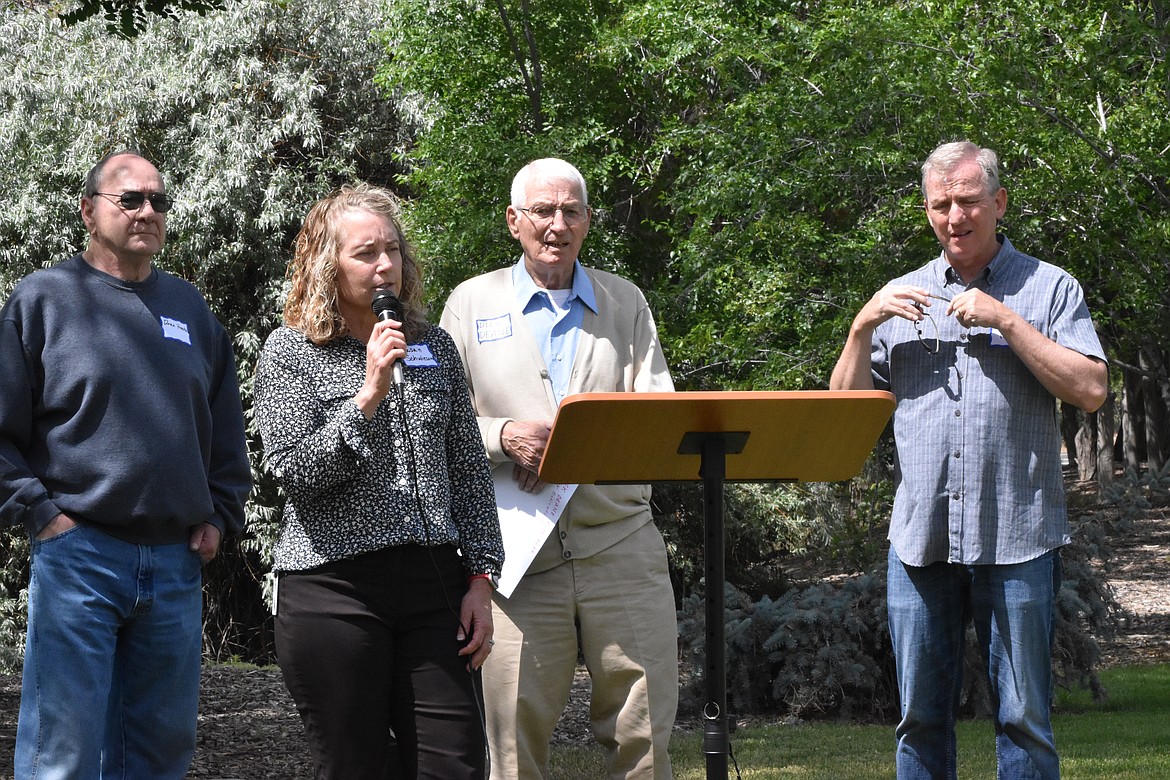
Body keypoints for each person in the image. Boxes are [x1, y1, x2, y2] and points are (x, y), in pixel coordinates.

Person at [829, 140, 1108, 779]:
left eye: (969, 201)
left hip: (1018, 539)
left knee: (1024, 723)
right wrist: (860, 326)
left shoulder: (1049, 288)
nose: (956, 217)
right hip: (920, 542)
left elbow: (1091, 389)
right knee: (920, 723)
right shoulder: (904, 296)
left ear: (999, 203)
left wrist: (1006, 320)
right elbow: (841, 415)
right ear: (928, 210)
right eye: (942, 204)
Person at [0, 151, 252, 778]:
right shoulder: (44, 300)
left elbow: (225, 429)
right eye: (130, 199)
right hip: (80, 557)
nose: (147, 211)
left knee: (159, 755)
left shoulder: (191, 310)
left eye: (158, 201)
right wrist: (40, 513)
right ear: (88, 212)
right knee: (62, 754)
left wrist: (220, 516)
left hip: (174, 565)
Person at [253, 184, 503, 779]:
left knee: (456, 765)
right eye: (365, 253)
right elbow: (298, 476)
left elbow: (468, 472)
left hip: (435, 584)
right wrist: (366, 397)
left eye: (392, 249)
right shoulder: (291, 353)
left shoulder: (435, 346)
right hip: (334, 588)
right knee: (354, 768)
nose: (385, 265)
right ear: (326, 264)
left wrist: (481, 579)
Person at [440, 158, 678, 779]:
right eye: (543, 211)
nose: (557, 225)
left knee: (644, 734)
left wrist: (577, 450)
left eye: (571, 211)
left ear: (588, 222)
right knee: (512, 746)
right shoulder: (470, 303)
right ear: (514, 221)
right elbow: (431, 415)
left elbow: (656, 417)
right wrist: (502, 435)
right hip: (514, 560)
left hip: (619, 545)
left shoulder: (625, 302)